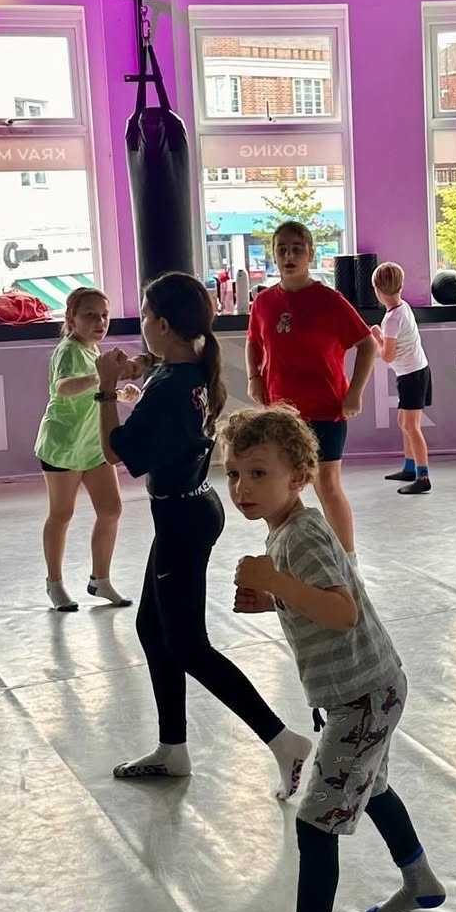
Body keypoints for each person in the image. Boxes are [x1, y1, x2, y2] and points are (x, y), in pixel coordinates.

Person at [223, 404, 445, 912]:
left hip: (363, 695)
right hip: (359, 689)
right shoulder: (285, 530)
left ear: (298, 476)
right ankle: (421, 879)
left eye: (258, 474)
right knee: (370, 787)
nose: (242, 489)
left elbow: (342, 610)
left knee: (317, 823)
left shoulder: (304, 534)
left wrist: (280, 584)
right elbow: (320, 606)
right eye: (234, 474)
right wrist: (274, 597)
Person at [93, 271, 311, 790]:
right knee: (153, 629)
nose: (141, 324)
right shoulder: (192, 370)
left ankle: (284, 741)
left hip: (182, 522)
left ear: (162, 324)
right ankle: (173, 748)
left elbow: (116, 452)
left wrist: (105, 391)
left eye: (145, 316)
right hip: (192, 509)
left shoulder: (172, 385)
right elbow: (167, 402)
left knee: (188, 645)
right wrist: (148, 369)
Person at [246, 221, 378, 554]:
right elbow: (253, 341)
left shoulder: (329, 301)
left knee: (326, 483)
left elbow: (367, 344)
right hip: (282, 412)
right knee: (282, 486)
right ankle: (290, 551)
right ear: (273, 254)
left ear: (311, 254)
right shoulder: (263, 302)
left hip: (325, 408)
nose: (289, 255)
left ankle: (348, 558)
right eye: (282, 249)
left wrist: (355, 392)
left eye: (297, 248)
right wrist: (254, 376)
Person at [34, 286, 132, 612]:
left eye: (104, 315)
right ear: (71, 318)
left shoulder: (95, 351)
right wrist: (99, 378)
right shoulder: (69, 350)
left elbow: (92, 397)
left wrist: (119, 393)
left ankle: (100, 579)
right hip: (62, 446)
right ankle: (54, 584)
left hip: (93, 447)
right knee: (61, 514)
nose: (100, 321)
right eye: (90, 314)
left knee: (111, 509)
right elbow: (63, 388)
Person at [370, 260, 432, 495]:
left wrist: (375, 335)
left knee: (411, 426)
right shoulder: (403, 307)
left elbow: (386, 355)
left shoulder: (392, 319)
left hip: (412, 375)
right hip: (413, 372)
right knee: (403, 422)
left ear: (377, 290)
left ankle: (423, 475)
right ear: (400, 286)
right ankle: (409, 467)